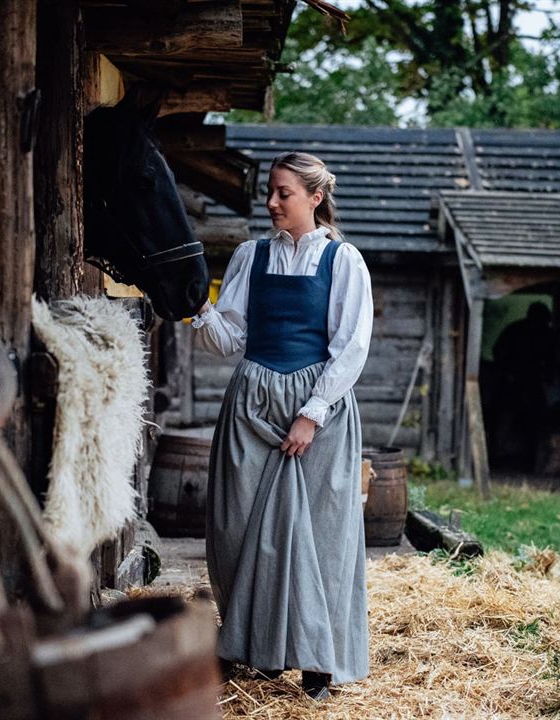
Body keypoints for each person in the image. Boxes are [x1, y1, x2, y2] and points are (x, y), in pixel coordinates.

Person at [190, 151, 373, 701]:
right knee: (238, 528)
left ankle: (319, 664)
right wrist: (198, 309)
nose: (271, 202)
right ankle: (259, 649)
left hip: (318, 410)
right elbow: (229, 338)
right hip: (251, 405)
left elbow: (351, 346)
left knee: (320, 537)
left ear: (315, 198)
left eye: (283, 193)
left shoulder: (343, 261)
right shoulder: (251, 255)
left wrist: (312, 414)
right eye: (269, 191)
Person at [491, 301, 556, 468]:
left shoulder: (522, 330)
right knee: (510, 416)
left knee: (528, 418)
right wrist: (507, 372)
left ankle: (531, 457)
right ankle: (500, 455)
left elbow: (550, 358)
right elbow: (498, 352)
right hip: (516, 380)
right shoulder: (518, 331)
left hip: (528, 380)